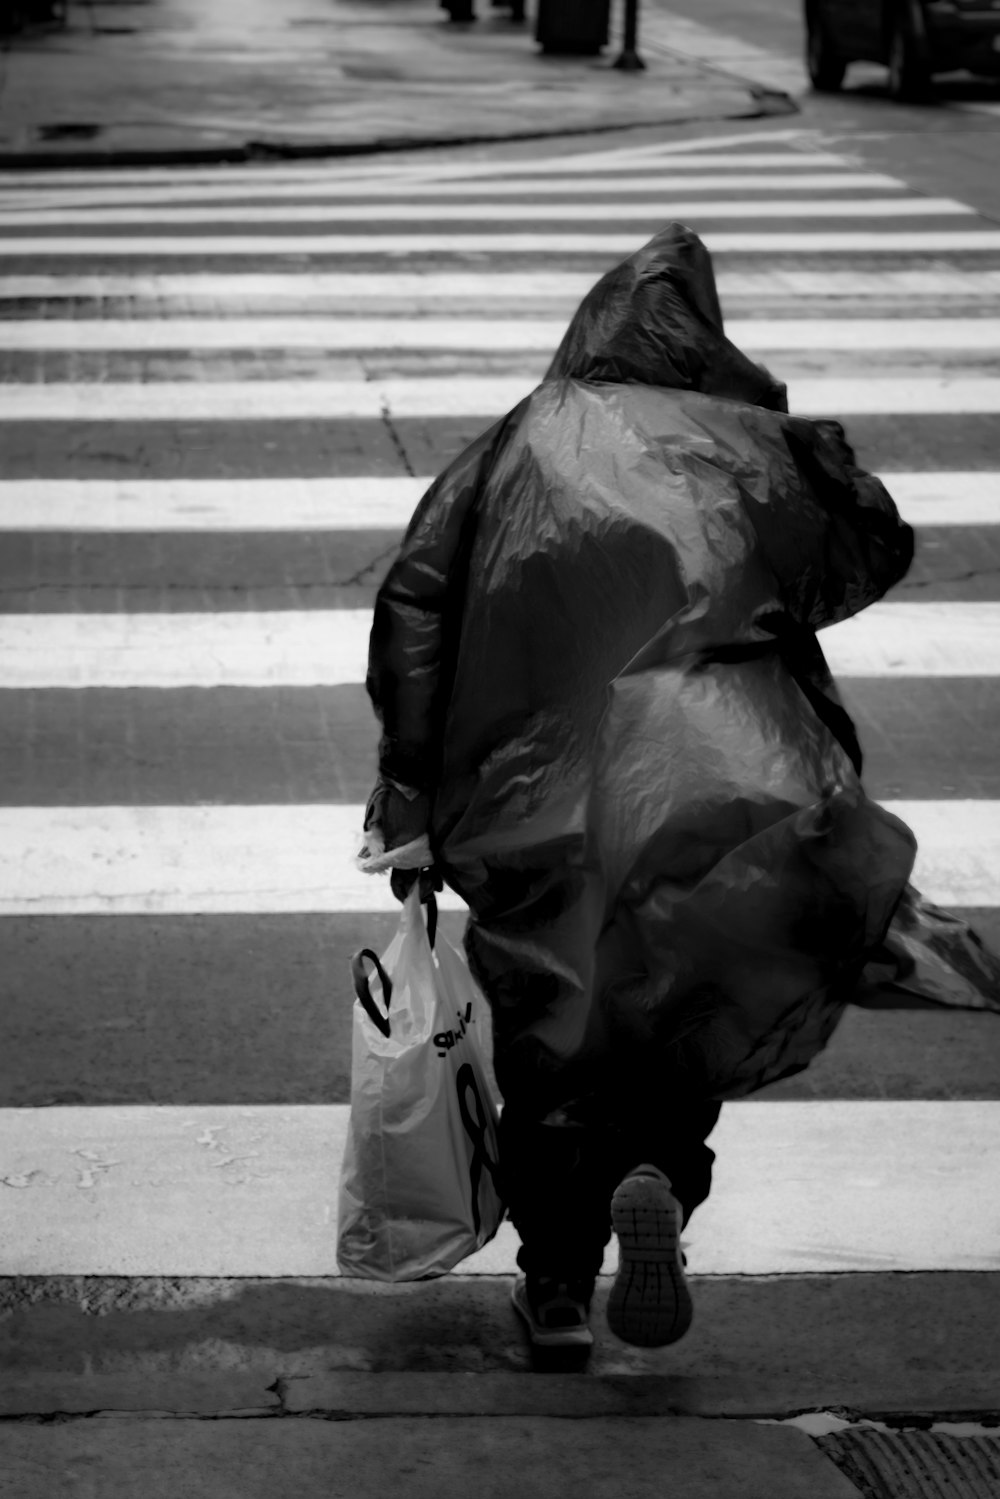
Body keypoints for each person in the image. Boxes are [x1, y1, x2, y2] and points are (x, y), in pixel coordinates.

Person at [361, 223, 992, 1354]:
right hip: (726, 772)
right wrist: (793, 439)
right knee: (687, 1006)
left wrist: (408, 780)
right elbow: (866, 546)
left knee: (556, 1025)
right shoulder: (732, 445)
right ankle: (655, 1173)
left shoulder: (514, 445)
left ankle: (555, 1284)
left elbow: (415, 603)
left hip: (535, 795)